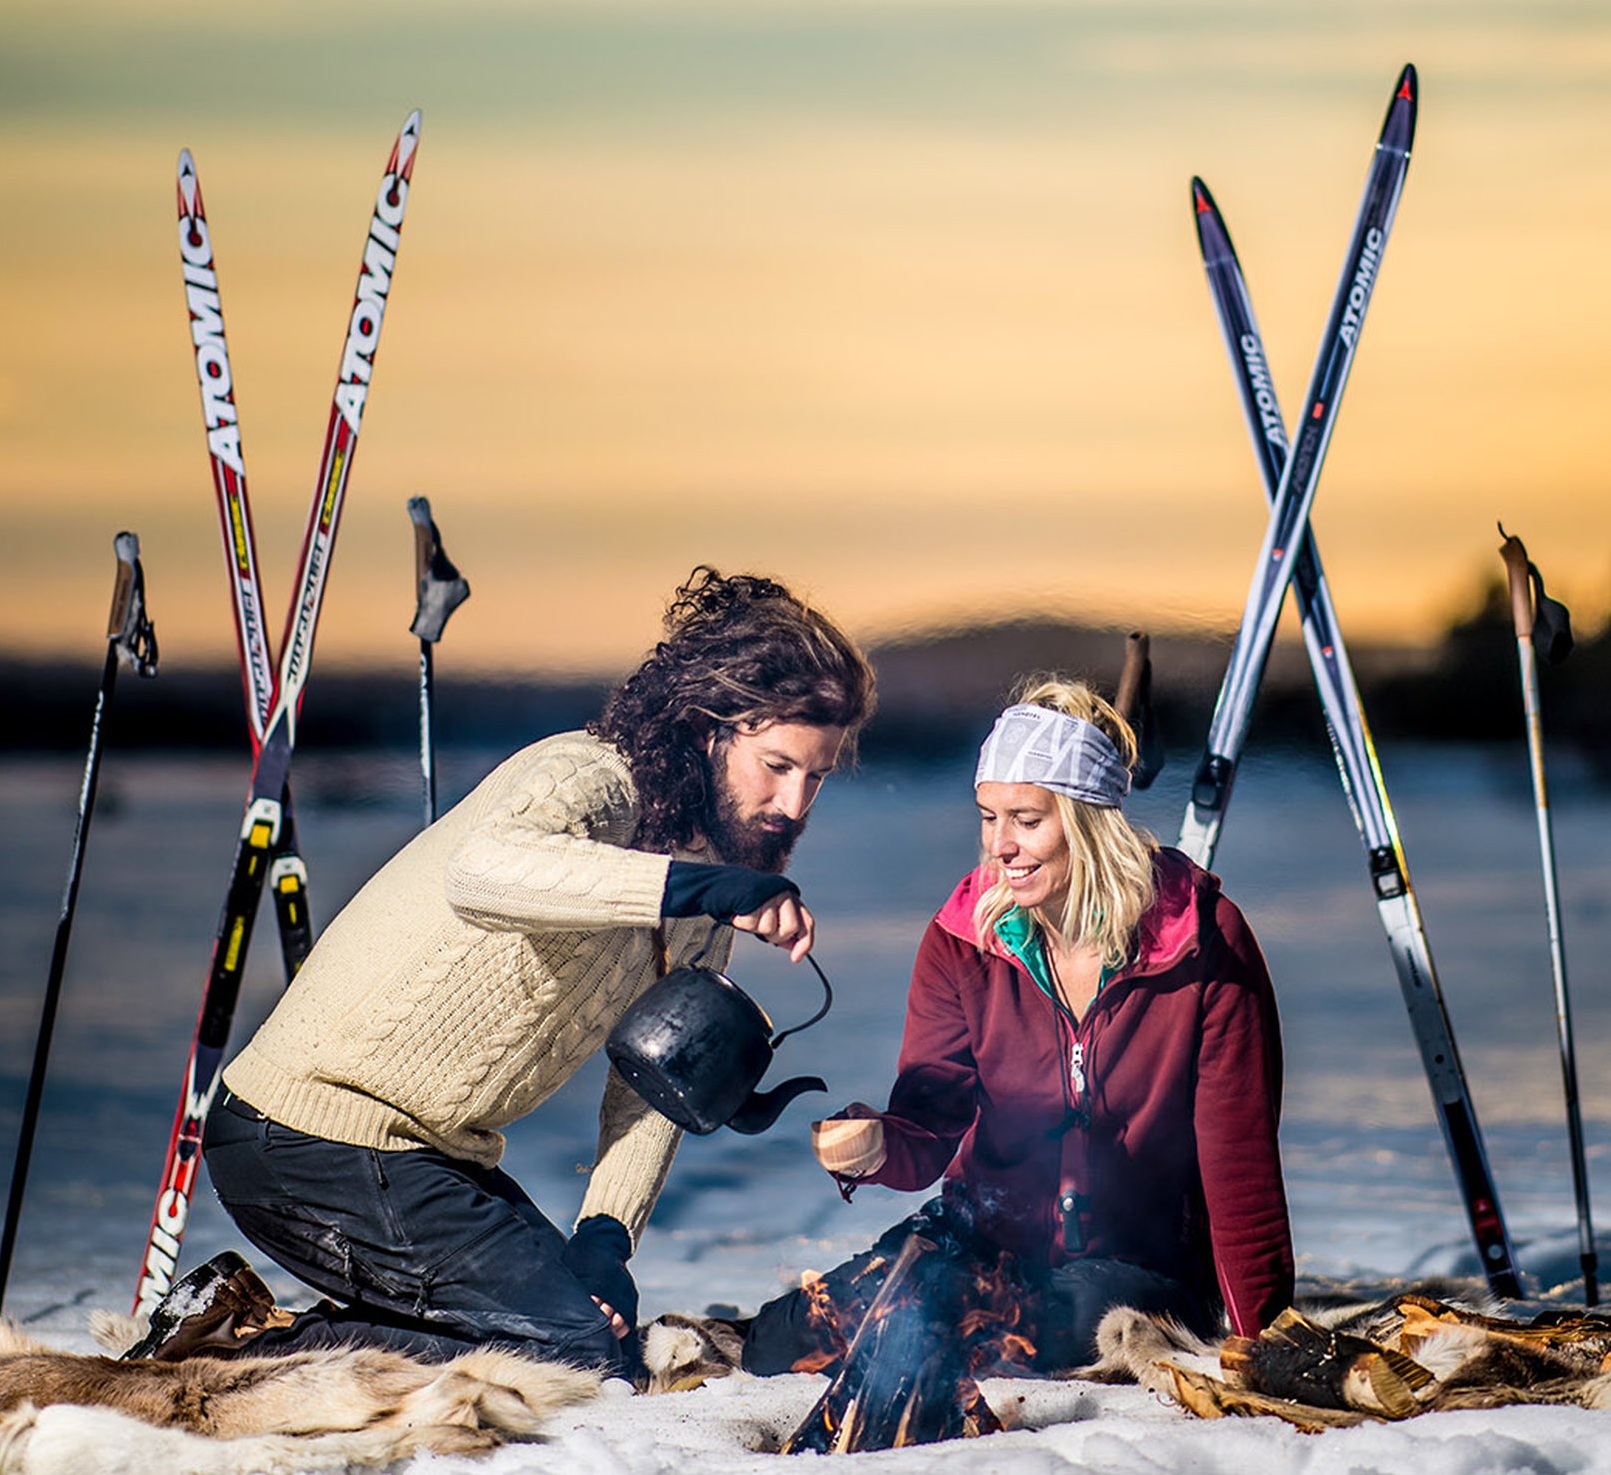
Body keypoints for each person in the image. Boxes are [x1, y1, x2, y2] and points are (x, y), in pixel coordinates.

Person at [131, 567, 875, 1379]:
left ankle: (243, 1312)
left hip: (433, 1156)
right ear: (707, 729)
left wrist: (605, 1237)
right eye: (776, 765)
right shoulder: (584, 778)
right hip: (306, 1135)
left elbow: (657, 1086)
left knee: (601, 1340)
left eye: (817, 776)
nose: (795, 803)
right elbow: (485, 875)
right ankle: (244, 1354)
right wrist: (697, 885)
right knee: (573, 1357)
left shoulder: (705, 894)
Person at [741, 675, 1292, 1378]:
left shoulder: (1202, 945)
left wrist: (1265, 1344)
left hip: (1134, 1273)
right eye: (987, 816)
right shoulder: (964, 940)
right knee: (784, 1342)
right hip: (976, 1246)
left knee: (993, 1318)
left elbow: (1238, 1165)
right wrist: (879, 1144)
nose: (1000, 845)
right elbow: (931, 1124)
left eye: (1026, 820)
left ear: (1091, 822)